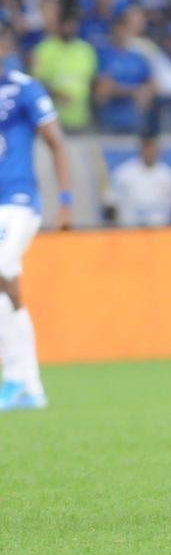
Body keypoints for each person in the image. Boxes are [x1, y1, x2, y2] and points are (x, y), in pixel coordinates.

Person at [0, 67, 72, 411]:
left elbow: (56, 142)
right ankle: (28, 385)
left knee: (2, 270)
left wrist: (66, 200)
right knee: (8, 286)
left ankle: (15, 377)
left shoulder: (23, 88)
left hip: (19, 202)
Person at [103, 133, 171, 227]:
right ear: (140, 149)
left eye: (152, 148)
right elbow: (111, 203)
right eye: (147, 148)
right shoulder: (123, 173)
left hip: (158, 232)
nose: (150, 152)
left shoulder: (168, 175)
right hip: (131, 232)